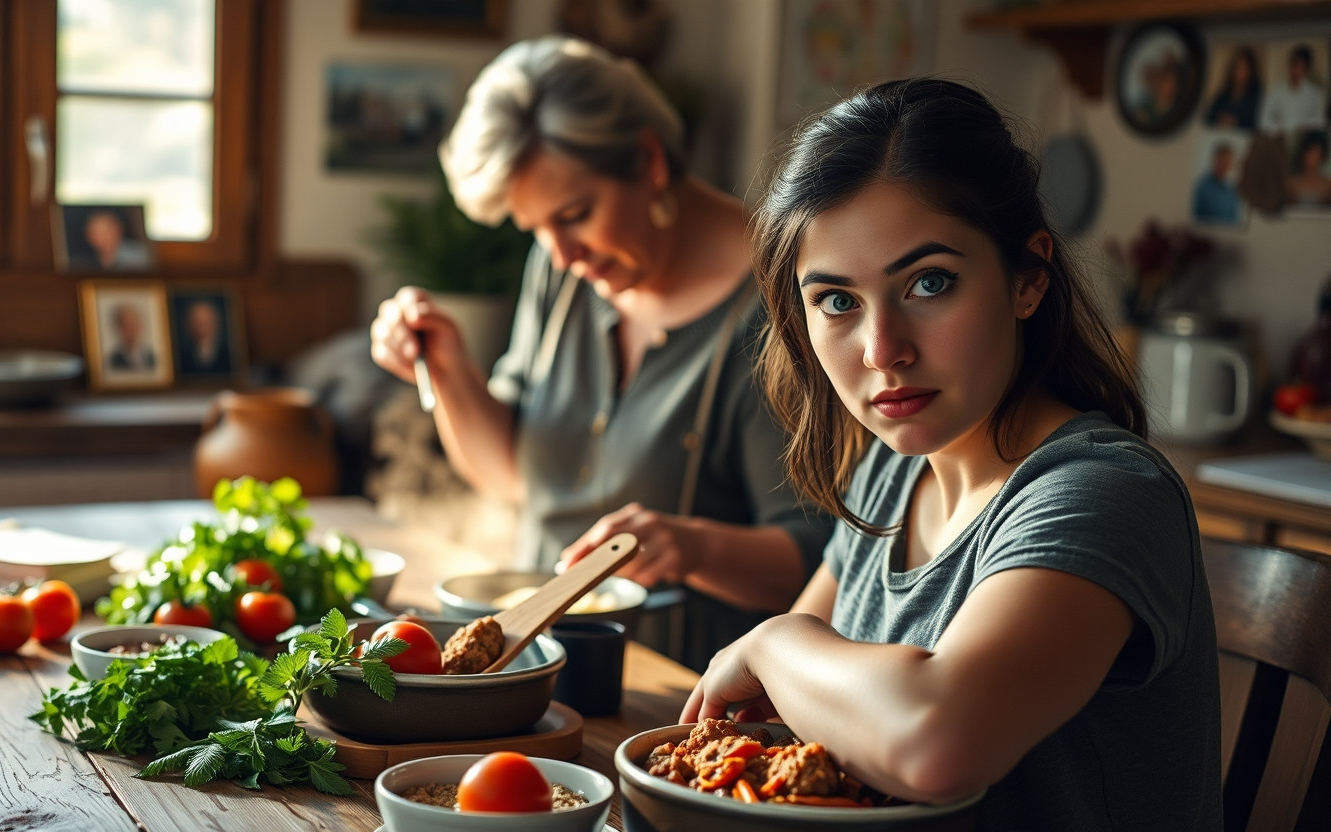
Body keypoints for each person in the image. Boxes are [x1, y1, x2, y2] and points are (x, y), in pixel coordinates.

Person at [682, 78, 1221, 829]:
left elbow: (937, 742)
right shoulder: (892, 470)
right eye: (836, 300)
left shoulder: (1104, 490)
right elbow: (784, 721)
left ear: (1028, 279)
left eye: (929, 283)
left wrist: (775, 640)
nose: (882, 351)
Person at [369, 36, 835, 669]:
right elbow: (511, 475)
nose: (561, 253)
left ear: (648, 160)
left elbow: (818, 559)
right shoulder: (565, 272)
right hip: (533, 664)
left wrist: (690, 547)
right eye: (536, 228)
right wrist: (449, 370)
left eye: (576, 213)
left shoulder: (781, 302)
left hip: (679, 695)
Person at [1259, 44, 1326, 134]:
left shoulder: (1315, 94)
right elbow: (1264, 119)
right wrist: (1277, 129)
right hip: (1280, 139)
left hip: (1304, 139)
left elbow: (1320, 121)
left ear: (1307, 69)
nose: (1296, 71)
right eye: (1294, 65)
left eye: (1301, 67)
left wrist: (1304, 127)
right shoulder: (1277, 91)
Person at [1204, 45, 1261, 130]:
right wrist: (1219, 120)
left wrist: (1236, 124)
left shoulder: (1256, 95)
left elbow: (1257, 124)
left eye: (1243, 68)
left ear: (1251, 71)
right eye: (1237, 67)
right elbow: (1208, 119)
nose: (1239, 72)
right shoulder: (1223, 94)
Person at [78, 209, 152, 272]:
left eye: (105, 232)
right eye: (96, 232)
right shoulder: (84, 260)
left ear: (118, 230)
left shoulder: (137, 255)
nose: (102, 238)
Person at [177, 298, 233, 376]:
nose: (201, 327)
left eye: (205, 322)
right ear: (189, 326)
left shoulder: (230, 354)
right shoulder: (182, 356)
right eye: (197, 322)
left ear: (216, 323)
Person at [1193, 142, 1243, 222]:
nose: (1225, 166)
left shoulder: (1232, 190)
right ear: (1216, 161)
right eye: (1223, 162)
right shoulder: (1202, 186)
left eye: (1228, 162)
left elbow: (1233, 218)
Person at [1285, 129, 1331, 206]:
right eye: (1310, 153)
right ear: (1303, 154)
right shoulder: (1291, 183)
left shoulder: (1328, 185)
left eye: (1317, 155)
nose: (1313, 159)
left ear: (1322, 156)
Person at [107, 302, 156, 371]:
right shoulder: (114, 360)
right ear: (120, 329)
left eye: (134, 324)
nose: (133, 329)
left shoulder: (150, 357)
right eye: (128, 325)